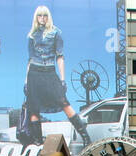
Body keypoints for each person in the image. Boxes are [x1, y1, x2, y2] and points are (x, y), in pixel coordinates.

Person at [24, 6, 89, 145]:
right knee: (33, 108)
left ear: (48, 16)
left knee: (64, 103)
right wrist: (25, 81)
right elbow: (29, 59)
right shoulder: (31, 35)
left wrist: (63, 79)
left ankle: (86, 137)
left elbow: (60, 57)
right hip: (34, 74)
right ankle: (38, 142)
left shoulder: (56, 33)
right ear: (36, 17)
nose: (42, 18)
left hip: (49, 72)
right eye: (39, 15)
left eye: (45, 15)